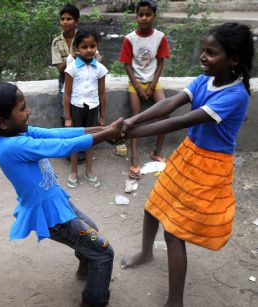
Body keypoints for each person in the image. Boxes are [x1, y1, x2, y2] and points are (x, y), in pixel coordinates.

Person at [0, 83, 123, 307]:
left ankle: (88, 271)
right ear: (2, 121)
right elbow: (61, 147)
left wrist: (100, 130)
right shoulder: (13, 145)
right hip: (53, 218)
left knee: (92, 230)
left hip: (56, 204)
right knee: (104, 252)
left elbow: (56, 134)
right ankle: (94, 300)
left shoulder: (15, 132)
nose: (29, 112)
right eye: (23, 108)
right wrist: (104, 135)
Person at [117, 23, 254, 307]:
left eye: (211, 53)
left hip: (210, 166)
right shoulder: (204, 80)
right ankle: (146, 253)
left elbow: (180, 121)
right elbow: (169, 105)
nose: (203, 57)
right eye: (204, 51)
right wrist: (131, 121)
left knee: (174, 231)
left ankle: (175, 302)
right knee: (153, 206)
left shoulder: (235, 95)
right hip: (189, 153)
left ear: (234, 59)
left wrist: (130, 131)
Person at [118, 0, 170, 179]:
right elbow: (127, 66)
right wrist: (139, 88)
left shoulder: (160, 37)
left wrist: (152, 85)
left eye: (148, 14)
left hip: (153, 82)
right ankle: (134, 158)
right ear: (136, 17)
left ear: (154, 16)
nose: (144, 18)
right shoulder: (130, 38)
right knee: (135, 119)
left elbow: (161, 62)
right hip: (136, 82)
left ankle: (157, 151)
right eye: (140, 14)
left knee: (166, 112)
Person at [64, 27, 108, 188]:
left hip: (92, 108)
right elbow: (67, 93)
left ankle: (89, 171)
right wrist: (68, 117)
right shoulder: (72, 68)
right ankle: (74, 171)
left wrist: (102, 116)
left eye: (92, 46)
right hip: (76, 108)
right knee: (75, 142)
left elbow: (102, 94)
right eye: (84, 47)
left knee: (90, 141)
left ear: (97, 46)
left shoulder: (101, 69)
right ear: (77, 48)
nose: (89, 50)